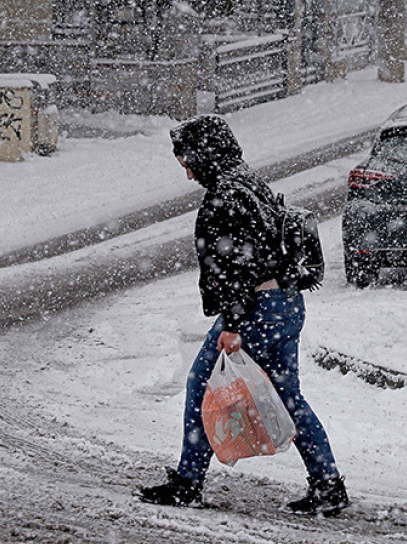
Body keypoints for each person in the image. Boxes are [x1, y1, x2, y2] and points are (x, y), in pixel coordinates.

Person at [136, 115, 349, 516]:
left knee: (203, 384)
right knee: (287, 397)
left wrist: (233, 325)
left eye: (188, 163)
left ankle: (188, 483)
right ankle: (327, 484)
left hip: (254, 311)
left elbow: (235, 265)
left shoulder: (226, 194)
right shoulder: (247, 181)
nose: (187, 174)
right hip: (284, 304)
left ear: (204, 155)